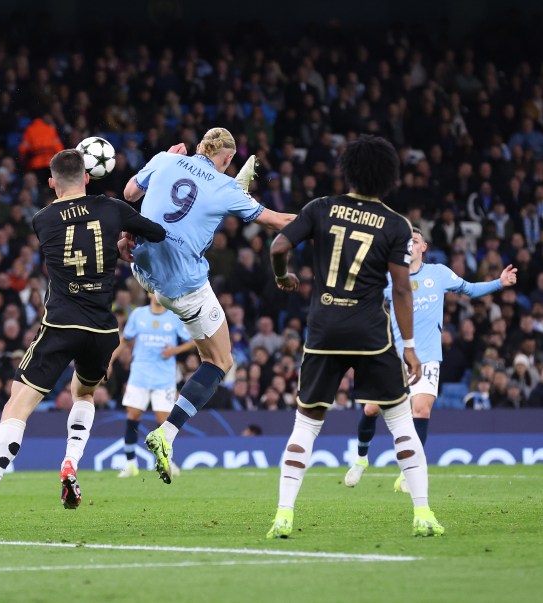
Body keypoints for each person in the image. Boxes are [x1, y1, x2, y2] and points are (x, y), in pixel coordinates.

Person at [0, 149, 166, 529]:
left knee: (17, 407)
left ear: (50, 183)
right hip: (102, 331)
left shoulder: (41, 219)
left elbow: (72, 218)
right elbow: (156, 233)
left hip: (60, 325)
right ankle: (71, 462)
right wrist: (126, 234)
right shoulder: (111, 208)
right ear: (89, 177)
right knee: (84, 393)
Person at [266, 134, 443, 538]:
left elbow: (278, 245)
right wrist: (411, 347)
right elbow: (400, 288)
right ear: (389, 177)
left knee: (306, 424)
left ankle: (283, 515)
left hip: (324, 330)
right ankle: (423, 514)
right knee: (400, 422)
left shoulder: (320, 208)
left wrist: (284, 277)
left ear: (347, 171)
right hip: (370, 335)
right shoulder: (396, 224)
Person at [122, 128, 295, 483]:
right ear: (228, 159)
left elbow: (129, 193)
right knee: (220, 360)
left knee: (146, 249)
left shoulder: (166, 158)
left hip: (143, 271)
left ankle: (163, 436)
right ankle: (166, 433)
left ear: (200, 146)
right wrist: (326, 220)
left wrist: (167, 158)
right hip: (184, 288)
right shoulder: (228, 188)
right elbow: (278, 222)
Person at [345, 227, 517, 491]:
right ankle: (361, 459)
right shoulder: (390, 278)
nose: (409, 245)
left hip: (427, 357)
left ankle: (408, 472)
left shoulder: (438, 273)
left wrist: (499, 282)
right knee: (371, 409)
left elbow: (469, 289)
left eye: (414, 241)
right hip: (394, 357)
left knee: (421, 409)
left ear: (423, 247)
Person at [109, 293, 195, 478]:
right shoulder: (138, 314)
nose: (157, 294)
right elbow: (124, 340)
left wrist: (175, 350)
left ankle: (167, 460)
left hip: (164, 378)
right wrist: (109, 361)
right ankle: (131, 463)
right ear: (148, 293)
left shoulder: (174, 316)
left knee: (163, 422)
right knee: (133, 417)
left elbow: (192, 341)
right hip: (139, 374)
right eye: (153, 290)